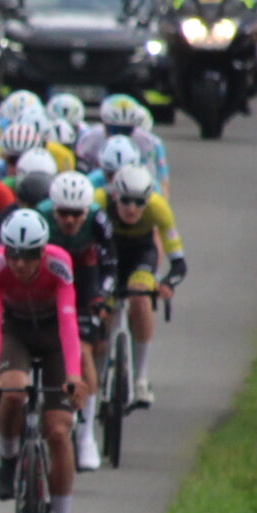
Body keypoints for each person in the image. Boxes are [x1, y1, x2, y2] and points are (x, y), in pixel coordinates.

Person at [0, 210, 86, 513]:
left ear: (42, 251)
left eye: (29, 255)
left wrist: (73, 374)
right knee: (12, 392)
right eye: (14, 254)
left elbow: (69, 321)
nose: (20, 263)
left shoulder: (59, 264)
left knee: (57, 431)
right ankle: (9, 458)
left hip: (54, 335)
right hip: (17, 332)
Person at [42, 172, 118, 471]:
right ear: (53, 209)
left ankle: (86, 436)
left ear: (87, 210)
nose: (70, 220)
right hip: (49, 279)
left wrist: (101, 298)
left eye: (77, 214)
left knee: (83, 352)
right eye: (63, 213)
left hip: (85, 280)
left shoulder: (98, 220)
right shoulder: (40, 218)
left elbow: (110, 266)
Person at [103, 162, 185, 406]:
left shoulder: (159, 209)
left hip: (141, 255)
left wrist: (169, 283)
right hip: (109, 255)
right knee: (105, 308)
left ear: (148, 200)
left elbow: (179, 263)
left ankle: (140, 377)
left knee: (140, 298)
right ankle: (99, 372)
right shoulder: (98, 202)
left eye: (140, 202)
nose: (132, 208)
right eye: (126, 200)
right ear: (114, 195)